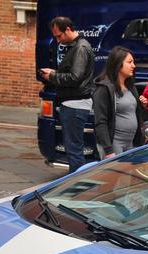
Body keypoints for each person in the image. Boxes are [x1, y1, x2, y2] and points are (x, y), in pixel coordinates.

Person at [39, 16, 94, 172]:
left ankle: (77, 188)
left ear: (68, 29)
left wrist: (52, 76)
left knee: (74, 149)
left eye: (59, 36)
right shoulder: (77, 46)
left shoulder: (81, 48)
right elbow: (75, 74)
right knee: (74, 148)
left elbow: (75, 77)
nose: (58, 40)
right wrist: (55, 72)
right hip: (73, 104)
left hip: (74, 105)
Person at [92, 46, 145, 158]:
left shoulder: (130, 86)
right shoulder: (104, 89)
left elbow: (130, 111)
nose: (133, 66)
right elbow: (100, 121)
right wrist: (108, 150)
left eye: (133, 62)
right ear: (118, 64)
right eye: (129, 62)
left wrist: (141, 105)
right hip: (114, 144)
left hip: (130, 143)